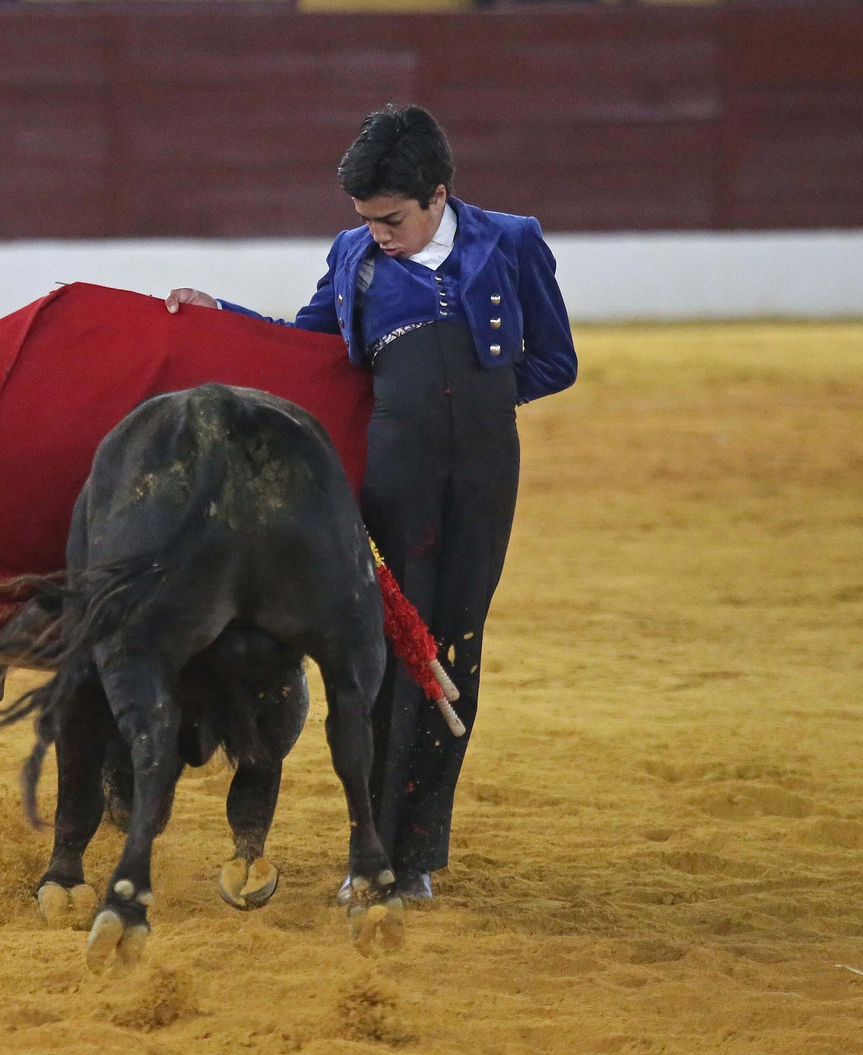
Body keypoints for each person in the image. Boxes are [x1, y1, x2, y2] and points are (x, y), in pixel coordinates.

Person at [165, 105, 577, 903]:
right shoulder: (353, 255)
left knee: (454, 649)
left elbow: (555, 360)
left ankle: (416, 854)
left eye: (393, 219)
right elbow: (310, 349)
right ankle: (372, 852)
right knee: (392, 651)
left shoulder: (513, 240)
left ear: (438, 194)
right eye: (367, 220)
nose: (380, 234)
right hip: (392, 476)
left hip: (486, 476)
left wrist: (477, 405)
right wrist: (230, 321)